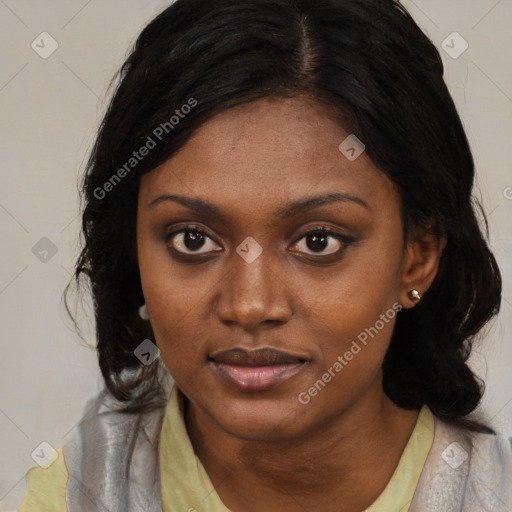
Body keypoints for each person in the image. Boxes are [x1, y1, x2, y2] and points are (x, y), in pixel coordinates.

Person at [19, 0, 512, 510]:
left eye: (318, 242)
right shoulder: (78, 491)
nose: (250, 305)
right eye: (193, 240)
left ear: (417, 259)